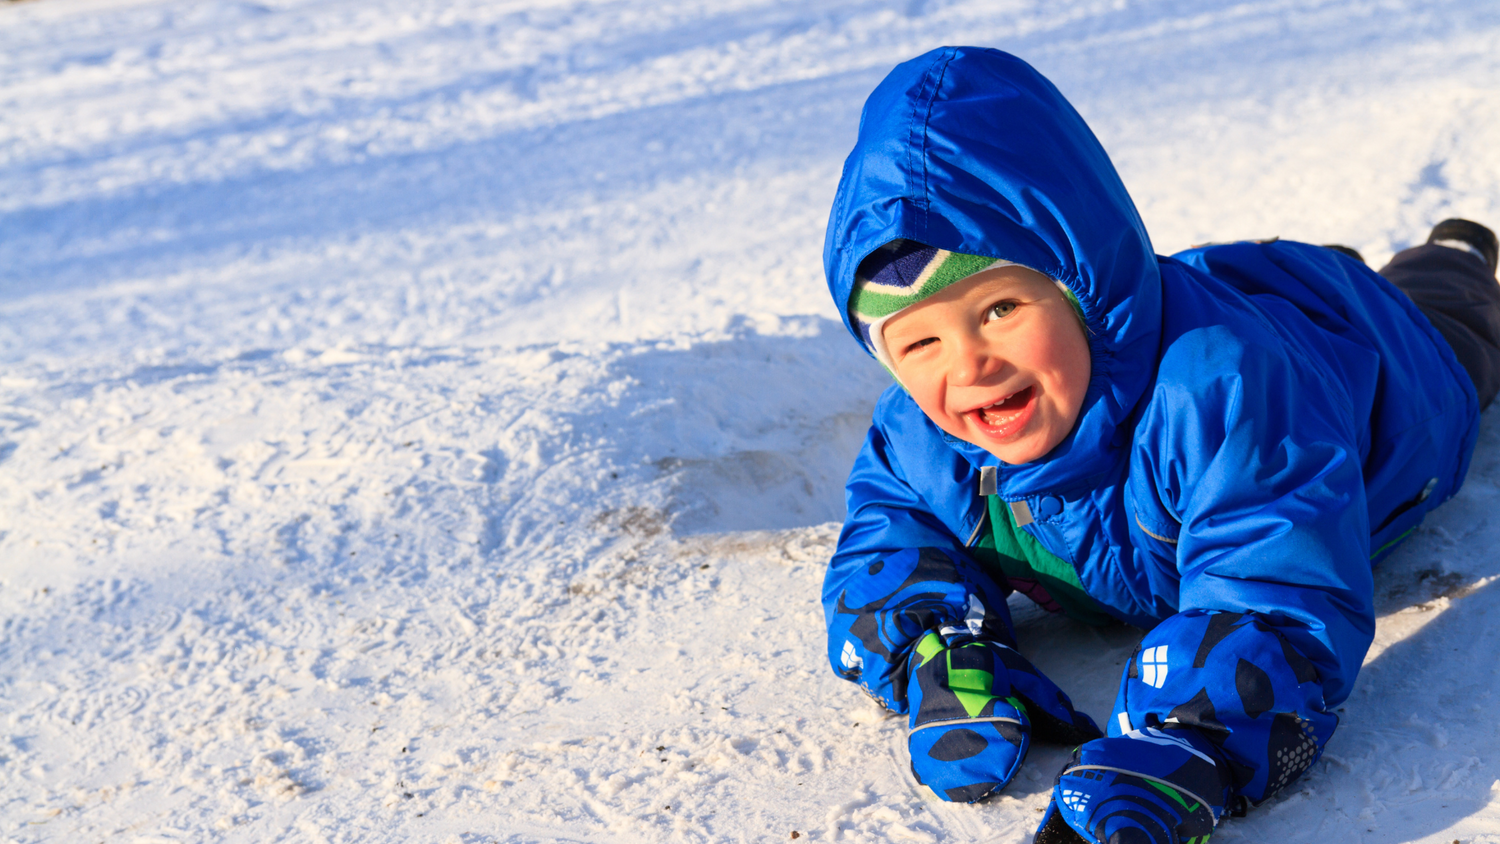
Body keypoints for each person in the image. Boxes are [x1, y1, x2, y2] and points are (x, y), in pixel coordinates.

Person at [820, 46, 1500, 844]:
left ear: (1082, 286)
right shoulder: (927, 435)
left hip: (1383, 365)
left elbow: (1273, 579)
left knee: (1452, 323)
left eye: (1001, 308)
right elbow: (890, 527)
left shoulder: (1221, 393)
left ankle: (1456, 253)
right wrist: (935, 639)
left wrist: (1184, 743)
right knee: (1271, 290)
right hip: (1229, 303)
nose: (969, 364)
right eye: (919, 344)